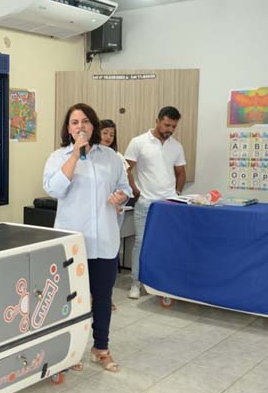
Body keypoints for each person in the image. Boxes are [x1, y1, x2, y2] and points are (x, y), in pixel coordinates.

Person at [43, 103, 131, 372]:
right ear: (68, 129)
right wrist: (75, 156)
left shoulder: (111, 158)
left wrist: (121, 196)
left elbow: (125, 187)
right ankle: (69, 353)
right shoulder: (59, 157)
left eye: (85, 121)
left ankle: (100, 348)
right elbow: (54, 189)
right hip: (73, 241)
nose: (80, 126)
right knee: (71, 300)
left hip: (104, 240)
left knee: (103, 298)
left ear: (93, 125)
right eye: (74, 122)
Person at [125, 106, 187, 299]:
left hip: (169, 205)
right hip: (145, 203)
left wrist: (176, 193)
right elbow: (126, 169)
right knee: (141, 243)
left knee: (166, 244)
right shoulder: (138, 142)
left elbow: (181, 173)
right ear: (158, 120)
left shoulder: (176, 146)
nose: (169, 129)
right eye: (167, 124)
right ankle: (136, 283)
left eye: (173, 127)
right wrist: (135, 191)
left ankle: (163, 283)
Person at [99, 119, 128, 311]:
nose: (109, 137)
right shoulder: (87, 155)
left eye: (112, 134)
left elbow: (125, 188)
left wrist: (120, 200)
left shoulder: (117, 157)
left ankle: (106, 297)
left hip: (113, 214)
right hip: (94, 215)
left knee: (109, 256)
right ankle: (93, 297)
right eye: (105, 133)